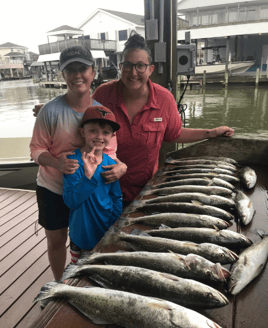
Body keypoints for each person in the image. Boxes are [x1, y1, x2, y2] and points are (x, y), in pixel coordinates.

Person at [33, 32, 234, 206]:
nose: (133, 72)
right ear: (121, 67)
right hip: (104, 187)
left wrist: (210, 133)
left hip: (144, 188)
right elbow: (83, 110)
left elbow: (174, 134)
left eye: (140, 66)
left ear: (150, 69)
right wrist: (49, 108)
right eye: (128, 65)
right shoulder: (104, 94)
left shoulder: (164, 99)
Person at [30, 45, 127, 281]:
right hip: (53, 188)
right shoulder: (50, 111)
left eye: (82, 68)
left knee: (89, 237)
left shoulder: (102, 114)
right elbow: (36, 149)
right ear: (62, 75)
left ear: (93, 72)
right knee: (56, 241)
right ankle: (58, 283)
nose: (77, 75)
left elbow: (109, 152)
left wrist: (121, 166)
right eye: (70, 70)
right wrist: (57, 163)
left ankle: (86, 279)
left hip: (88, 190)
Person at [63, 105, 122, 264]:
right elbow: (71, 201)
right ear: (82, 132)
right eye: (93, 130)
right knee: (78, 272)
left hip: (105, 229)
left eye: (106, 132)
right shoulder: (72, 163)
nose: (99, 136)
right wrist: (88, 176)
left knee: (101, 267)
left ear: (112, 136)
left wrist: (113, 225)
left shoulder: (110, 164)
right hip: (80, 233)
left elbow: (116, 198)